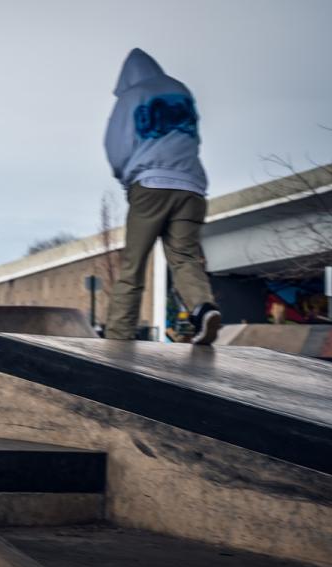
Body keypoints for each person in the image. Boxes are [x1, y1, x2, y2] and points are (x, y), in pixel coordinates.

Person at [103, 48, 222, 345]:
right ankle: (203, 308)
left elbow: (115, 145)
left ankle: (118, 338)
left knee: (134, 264)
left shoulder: (133, 95)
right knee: (184, 258)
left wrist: (125, 178)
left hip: (151, 184)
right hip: (192, 185)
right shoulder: (180, 91)